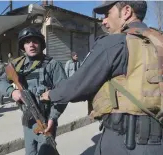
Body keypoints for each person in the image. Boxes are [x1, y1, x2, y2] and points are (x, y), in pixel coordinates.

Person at [40, 1, 163, 155]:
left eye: (107, 14)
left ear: (126, 12)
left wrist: (50, 94)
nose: (103, 21)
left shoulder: (115, 43)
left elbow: (77, 86)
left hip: (124, 142)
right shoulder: (159, 41)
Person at [0, 27, 68, 155]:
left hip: (46, 121)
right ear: (23, 46)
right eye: (27, 42)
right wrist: (12, 92)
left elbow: (63, 93)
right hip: (27, 122)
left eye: (35, 41)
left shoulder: (53, 65)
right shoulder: (17, 65)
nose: (31, 45)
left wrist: (53, 117)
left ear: (41, 44)